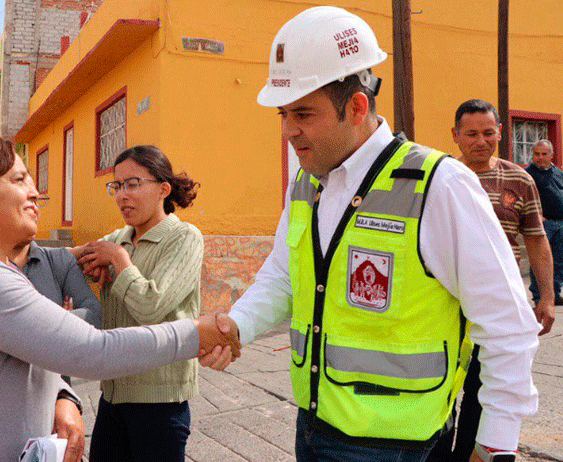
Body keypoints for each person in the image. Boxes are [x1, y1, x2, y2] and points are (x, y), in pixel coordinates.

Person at [197, 7, 540, 462]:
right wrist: (237, 325)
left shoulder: (439, 185)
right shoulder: (306, 182)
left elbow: (507, 324)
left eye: (303, 113)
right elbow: (282, 276)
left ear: (357, 107)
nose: (288, 131)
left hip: (401, 447)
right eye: (283, 114)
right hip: (315, 428)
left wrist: (495, 444)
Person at [0, 135, 240, 462]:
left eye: (133, 184)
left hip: (158, 398)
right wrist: (198, 333)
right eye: (19, 180)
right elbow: (93, 351)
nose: (35, 193)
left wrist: (61, 395)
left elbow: (27, 352)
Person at [426, 101, 556, 462]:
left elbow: (536, 239)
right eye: (471, 134)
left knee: (486, 391)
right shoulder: (440, 178)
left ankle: (471, 453)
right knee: (438, 389)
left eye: (488, 133)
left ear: (500, 132)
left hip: (498, 307)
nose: (481, 141)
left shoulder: (520, 180)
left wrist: (546, 297)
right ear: (455, 135)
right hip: (444, 304)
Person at [71, 145, 203, 462]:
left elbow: (150, 306)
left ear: (163, 190)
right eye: (117, 186)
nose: (122, 196)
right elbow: (69, 260)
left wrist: (119, 260)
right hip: (113, 395)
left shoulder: (183, 237)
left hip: (160, 402)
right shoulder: (118, 238)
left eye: (133, 184)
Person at [526, 139, 563, 306]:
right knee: (540, 261)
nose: (540, 157)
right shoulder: (528, 174)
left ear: (551, 155)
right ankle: (538, 296)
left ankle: (555, 293)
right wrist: (536, 216)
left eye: (544, 154)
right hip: (542, 225)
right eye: (537, 154)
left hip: (560, 223)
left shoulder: (558, 173)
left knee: (559, 261)